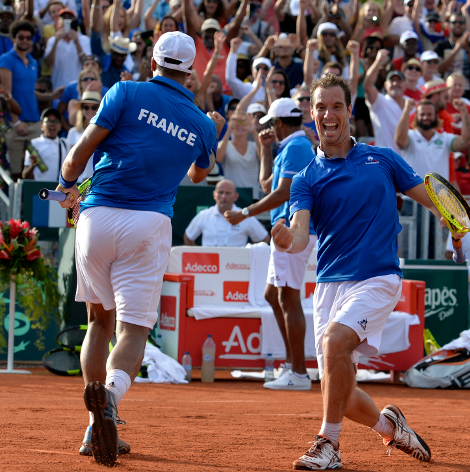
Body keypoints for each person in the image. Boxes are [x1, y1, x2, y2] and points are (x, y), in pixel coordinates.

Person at [53, 31, 223, 467]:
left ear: (153, 61)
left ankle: (95, 426)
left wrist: (66, 188)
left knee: (98, 322)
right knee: (133, 331)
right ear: (190, 72)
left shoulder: (125, 91)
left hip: (97, 217)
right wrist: (204, 135)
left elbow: (78, 156)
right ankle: (108, 401)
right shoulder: (203, 123)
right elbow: (200, 176)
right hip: (149, 224)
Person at [274, 74, 447, 470]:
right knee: (341, 389)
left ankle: (328, 445)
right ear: (311, 114)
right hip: (330, 286)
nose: (328, 114)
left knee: (335, 344)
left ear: (349, 111)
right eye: (321, 107)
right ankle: (391, 427)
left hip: (377, 277)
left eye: (336, 106)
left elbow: (427, 196)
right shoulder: (306, 179)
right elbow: (301, 233)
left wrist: (451, 223)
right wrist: (288, 241)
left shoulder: (383, 158)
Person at [224, 98, 317, 391]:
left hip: (292, 230)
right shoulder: (288, 147)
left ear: (278, 123)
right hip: (284, 230)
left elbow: (283, 192)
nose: (268, 131)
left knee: (289, 298)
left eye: (270, 126)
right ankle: (292, 366)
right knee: (272, 295)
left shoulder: (298, 147)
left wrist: (244, 213)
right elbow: (267, 186)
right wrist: (264, 150)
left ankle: (299, 372)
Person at [0, 19, 42, 180]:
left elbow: (29, 92)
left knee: (38, 170)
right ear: (13, 38)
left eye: (28, 37)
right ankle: (16, 206)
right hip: (14, 124)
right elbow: (6, 94)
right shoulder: (6, 59)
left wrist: (53, 95)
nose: (24, 40)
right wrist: (16, 122)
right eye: (20, 37)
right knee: (16, 174)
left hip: (35, 122)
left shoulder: (34, 62)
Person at [395, 98, 469, 180]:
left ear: (436, 116)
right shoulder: (410, 136)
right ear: (416, 116)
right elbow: (399, 141)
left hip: (439, 192)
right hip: (413, 192)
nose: (426, 117)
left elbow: (465, 141)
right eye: (422, 114)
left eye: (429, 114)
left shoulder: (445, 138)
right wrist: (407, 110)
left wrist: (464, 111)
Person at [184, 179, 269, 246]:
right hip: (209, 266)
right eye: (220, 192)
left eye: (228, 193)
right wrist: (195, 257)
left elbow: (264, 238)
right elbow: (188, 236)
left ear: (236, 196)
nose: (224, 196)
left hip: (236, 265)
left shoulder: (244, 216)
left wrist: (252, 253)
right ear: (214, 195)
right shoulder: (204, 215)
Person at [363, 49, 405, 149]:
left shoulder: (412, 104)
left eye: (399, 81)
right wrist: (378, 61)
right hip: (384, 159)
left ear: (405, 85)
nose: (395, 84)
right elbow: (367, 85)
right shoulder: (380, 101)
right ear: (385, 85)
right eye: (392, 81)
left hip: (407, 160)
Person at [434, 13, 470, 101]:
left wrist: (467, 49)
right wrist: (456, 49)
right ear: (449, 24)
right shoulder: (441, 46)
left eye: (461, 22)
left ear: (465, 25)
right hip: (446, 92)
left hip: (467, 92)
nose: (457, 25)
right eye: (454, 22)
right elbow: (439, 69)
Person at [44, 8, 91, 91]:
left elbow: (87, 64)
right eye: (63, 17)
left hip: (78, 89)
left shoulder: (84, 40)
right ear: (58, 22)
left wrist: (77, 43)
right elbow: (49, 64)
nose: (67, 19)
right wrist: (56, 42)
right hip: (58, 88)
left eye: (70, 17)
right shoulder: (52, 40)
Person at [216, 111, 260, 192]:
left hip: (253, 194)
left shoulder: (254, 146)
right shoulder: (224, 145)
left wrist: (254, 132)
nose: (239, 125)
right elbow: (218, 158)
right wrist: (228, 131)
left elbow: (263, 156)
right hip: (232, 194)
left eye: (243, 122)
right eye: (235, 121)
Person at [22, 108, 68, 180]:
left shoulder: (65, 144)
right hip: (39, 189)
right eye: (48, 121)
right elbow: (25, 176)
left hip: (57, 189)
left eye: (55, 121)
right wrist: (33, 165)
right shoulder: (33, 144)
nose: (52, 124)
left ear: (60, 126)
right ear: (42, 125)